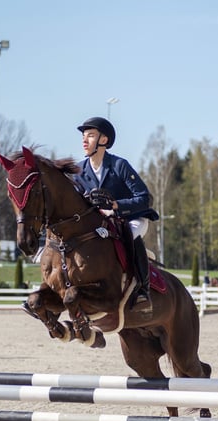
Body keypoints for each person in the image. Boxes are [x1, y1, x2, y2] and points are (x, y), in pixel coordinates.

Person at [74, 116, 159, 313]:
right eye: (83, 136)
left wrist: (116, 205)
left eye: (91, 136)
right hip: (103, 223)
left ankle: (142, 290)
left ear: (103, 140)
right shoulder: (79, 171)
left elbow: (144, 197)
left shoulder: (119, 165)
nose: (84, 140)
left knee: (128, 234)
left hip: (132, 218)